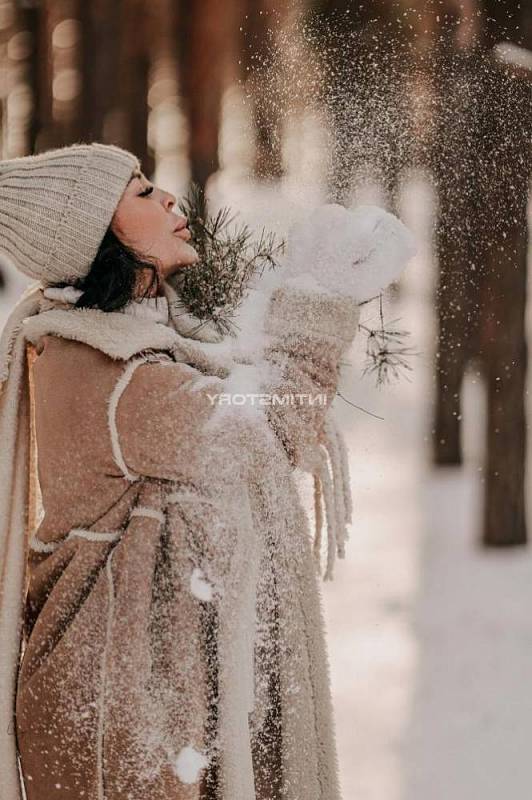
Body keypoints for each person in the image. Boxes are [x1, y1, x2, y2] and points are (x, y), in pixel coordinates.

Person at [0, 142, 416, 800]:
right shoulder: (117, 378)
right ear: (95, 235)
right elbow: (267, 429)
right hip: (117, 718)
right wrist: (317, 303)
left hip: (120, 696)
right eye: (141, 193)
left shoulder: (118, 348)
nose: (167, 197)